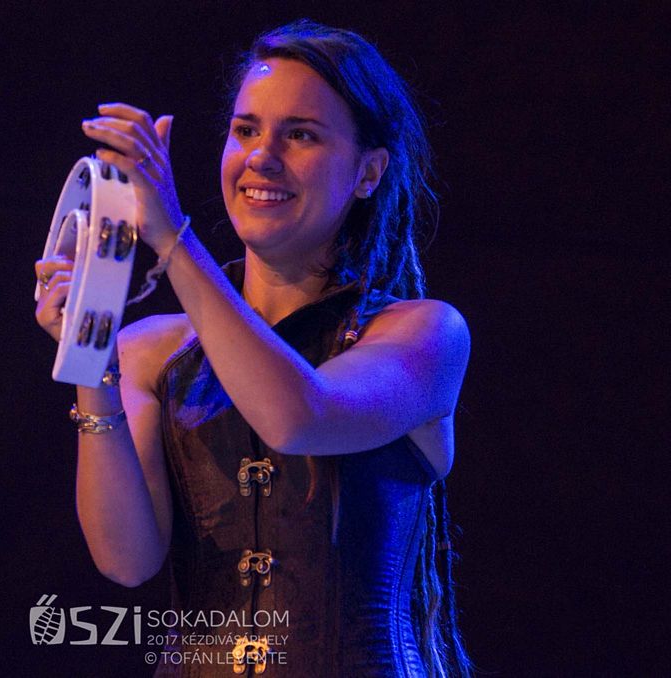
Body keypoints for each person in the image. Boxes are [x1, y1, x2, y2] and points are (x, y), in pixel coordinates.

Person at [34, 19, 473, 677]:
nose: (261, 157)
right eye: (245, 130)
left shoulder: (423, 335)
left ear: (368, 172)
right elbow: (126, 559)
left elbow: (299, 416)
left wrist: (173, 237)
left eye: (301, 135)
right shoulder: (151, 351)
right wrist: (91, 358)